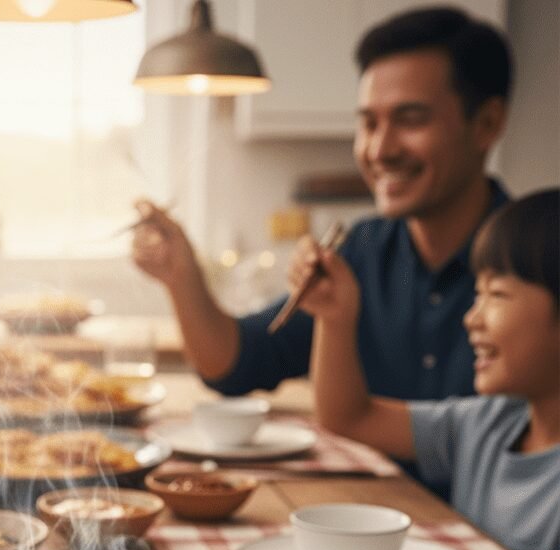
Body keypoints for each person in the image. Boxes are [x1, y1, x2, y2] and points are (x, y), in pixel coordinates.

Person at [132, 6, 511, 404]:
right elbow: (238, 363)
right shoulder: (361, 252)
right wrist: (182, 275)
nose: (380, 150)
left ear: (486, 124)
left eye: (410, 120)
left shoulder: (536, 263)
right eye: (369, 123)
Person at [295, 187, 559, 550]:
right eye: (477, 293)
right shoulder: (484, 424)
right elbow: (349, 415)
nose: (472, 318)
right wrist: (335, 316)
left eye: (497, 294)